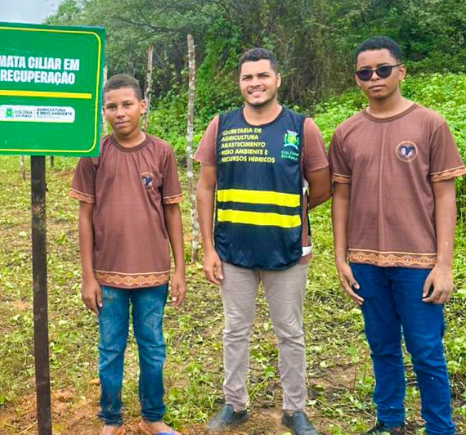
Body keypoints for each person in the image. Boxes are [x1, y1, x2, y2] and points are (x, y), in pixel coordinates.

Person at [329, 36, 464, 435]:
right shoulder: (346, 132)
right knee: (382, 346)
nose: (374, 78)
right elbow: (341, 196)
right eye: (364, 72)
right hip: (366, 262)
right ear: (356, 79)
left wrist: (444, 264)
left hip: (418, 263)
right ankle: (390, 420)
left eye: (383, 70)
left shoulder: (430, 124)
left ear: (401, 71)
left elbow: (444, 196)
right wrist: (341, 257)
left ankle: (440, 427)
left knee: (426, 350)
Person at [194, 48, 331, 435]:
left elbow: (321, 188)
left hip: (287, 250)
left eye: (262, 76)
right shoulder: (220, 126)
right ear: (240, 83)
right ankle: (234, 404)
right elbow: (206, 189)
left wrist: (286, 217)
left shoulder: (301, 128)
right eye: (247, 78)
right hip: (233, 250)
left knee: (290, 331)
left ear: (277, 80)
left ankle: (294, 410)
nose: (254, 83)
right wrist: (208, 248)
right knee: (235, 329)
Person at [70, 74, 186, 435]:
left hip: (153, 273)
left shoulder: (161, 152)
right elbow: (85, 216)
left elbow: (172, 211)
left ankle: (153, 416)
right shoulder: (94, 154)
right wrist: (88, 276)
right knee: (110, 349)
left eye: (127, 104)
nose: (119, 113)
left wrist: (179, 269)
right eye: (111, 107)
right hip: (108, 275)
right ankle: (111, 419)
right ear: (103, 111)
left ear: (142, 106)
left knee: (153, 347)